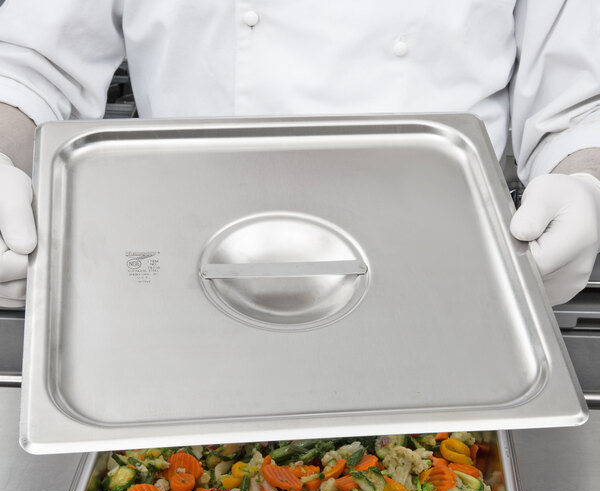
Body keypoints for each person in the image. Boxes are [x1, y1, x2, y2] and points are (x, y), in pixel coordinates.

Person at [0, 0, 599, 308]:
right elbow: (31, 63)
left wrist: (585, 184)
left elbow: (579, 104)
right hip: (180, 282)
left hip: (445, 283)